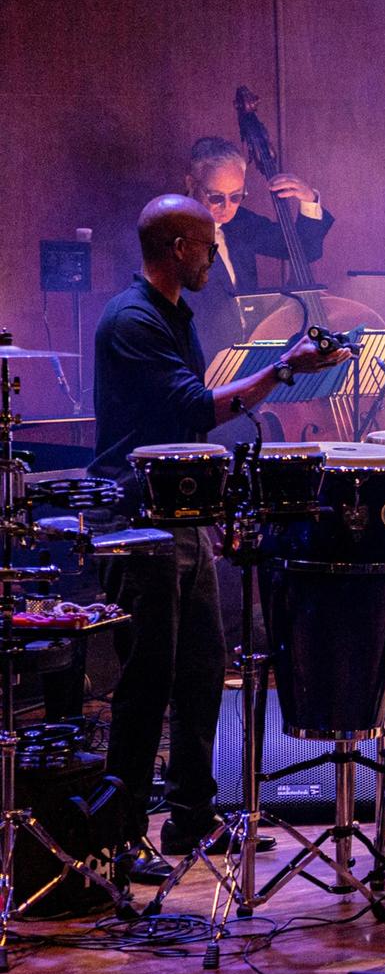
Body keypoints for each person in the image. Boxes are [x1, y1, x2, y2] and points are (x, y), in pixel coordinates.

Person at [91, 195, 347, 880]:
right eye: (207, 244)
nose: (213, 255)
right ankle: (119, 842)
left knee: (202, 667)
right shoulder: (133, 320)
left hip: (180, 515)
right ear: (177, 247)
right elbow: (192, 408)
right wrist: (283, 370)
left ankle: (192, 820)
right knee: (148, 680)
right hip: (140, 517)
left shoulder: (170, 314)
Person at [184, 135, 335, 359]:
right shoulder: (167, 227)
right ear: (190, 183)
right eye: (216, 197)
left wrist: (308, 199)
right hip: (200, 361)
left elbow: (303, 249)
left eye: (236, 197)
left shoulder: (240, 222)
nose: (227, 208)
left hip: (250, 356)